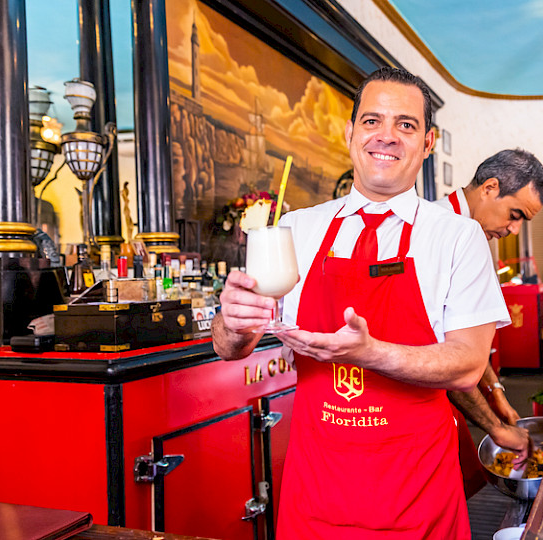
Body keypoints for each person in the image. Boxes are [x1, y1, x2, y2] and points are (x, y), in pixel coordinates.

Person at [212, 67, 510, 538]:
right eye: (372, 121)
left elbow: (468, 365)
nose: (386, 137)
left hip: (417, 491)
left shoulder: (457, 235)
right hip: (317, 486)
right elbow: (232, 347)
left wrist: (370, 353)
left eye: (405, 125)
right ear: (351, 133)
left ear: (427, 143)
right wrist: (231, 320)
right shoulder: (297, 228)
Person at [436, 148, 543, 494]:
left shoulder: (471, 231)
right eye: (514, 214)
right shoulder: (438, 228)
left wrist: (496, 390)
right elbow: (442, 348)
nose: (514, 230)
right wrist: (494, 425)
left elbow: (465, 335)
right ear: (489, 188)